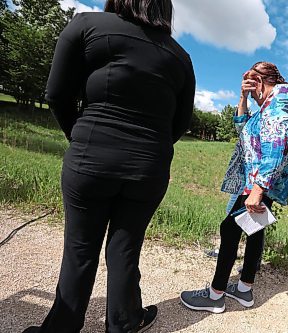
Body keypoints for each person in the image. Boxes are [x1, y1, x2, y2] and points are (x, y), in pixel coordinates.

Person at [24, 1, 195, 332]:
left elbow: (56, 93)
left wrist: (80, 136)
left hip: (91, 157)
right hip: (149, 168)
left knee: (80, 249)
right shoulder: (181, 58)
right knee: (125, 250)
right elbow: (180, 123)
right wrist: (152, 150)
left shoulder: (86, 26)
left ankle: (61, 328)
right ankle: (125, 322)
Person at [180, 61, 288, 313]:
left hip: (259, 181)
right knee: (254, 231)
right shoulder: (271, 104)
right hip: (260, 180)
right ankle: (244, 290)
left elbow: (277, 142)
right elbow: (242, 128)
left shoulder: (280, 97)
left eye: (250, 84)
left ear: (259, 81)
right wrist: (243, 97)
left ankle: (215, 295)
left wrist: (259, 189)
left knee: (229, 229)